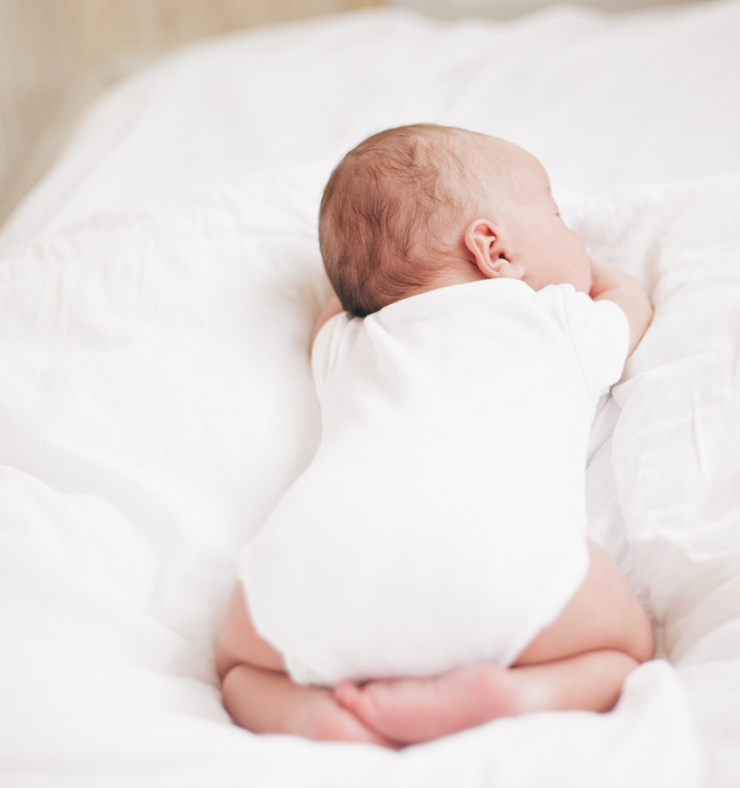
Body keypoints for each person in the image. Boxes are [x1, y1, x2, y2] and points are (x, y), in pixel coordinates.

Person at [215, 124, 655, 749]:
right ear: (494, 250)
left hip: (321, 561)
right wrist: (587, 267)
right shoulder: (558, 323)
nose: (575, 233)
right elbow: (628, 298)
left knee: (238, 669)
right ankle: (512, 696)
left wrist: (365, 269)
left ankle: (323, 719)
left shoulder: (348, 344)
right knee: (627, 646)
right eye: (558, 214)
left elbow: (331, 308)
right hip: (502, 558)